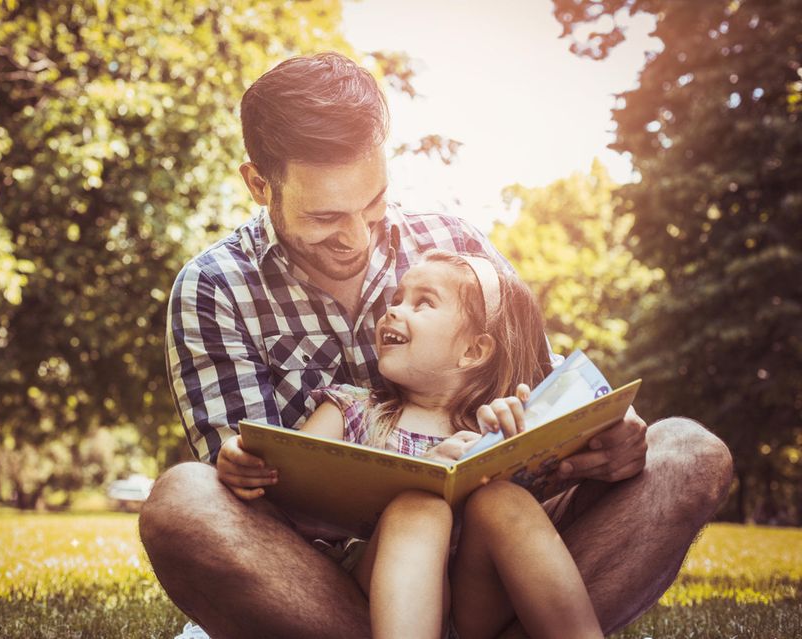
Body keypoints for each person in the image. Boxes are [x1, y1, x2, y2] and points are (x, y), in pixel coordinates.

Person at [139, 52, 733, 639]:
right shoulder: (215, 287)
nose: (356, 238)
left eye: (372, 203)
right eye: (325, 216)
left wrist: (611, 435)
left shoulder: (451, 246)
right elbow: (255, 508)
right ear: (258, 183)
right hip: (338, 583)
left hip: (499, 565)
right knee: (184, 501)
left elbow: (547, 388)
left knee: (688, 451)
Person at [218, 249, 604, 639]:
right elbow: (286, 490)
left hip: (477, 604)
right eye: (397, 299)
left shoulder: (496, 424)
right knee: (419, 509)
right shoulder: (350, 410)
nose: (394, 311)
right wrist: (241, 457)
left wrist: (512, 441)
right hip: (374, 598)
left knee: (504, 501)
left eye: (423, 303)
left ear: (473, 351)